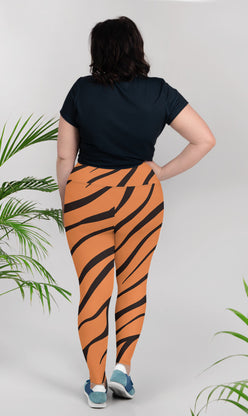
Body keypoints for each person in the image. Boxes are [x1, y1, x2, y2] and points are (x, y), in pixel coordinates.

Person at [57, 16, 216, 408]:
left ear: (98, 51)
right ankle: (122, 369)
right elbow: (204, 139)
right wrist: (161, 172)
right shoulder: (159, 92)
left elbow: (64, 157)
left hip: (86, 194)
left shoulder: (80, 91)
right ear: (136, 48)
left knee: (93, 290)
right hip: (140, 195)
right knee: (133, 283)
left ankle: (96, 385)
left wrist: (70, 202)